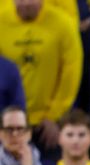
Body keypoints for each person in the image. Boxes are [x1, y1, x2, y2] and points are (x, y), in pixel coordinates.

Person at [0, 0, 83, 150]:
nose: (26, 4)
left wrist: (54, 117)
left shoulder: (63, 24)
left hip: (46, 126)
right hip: (6, 124)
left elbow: (70, 74)